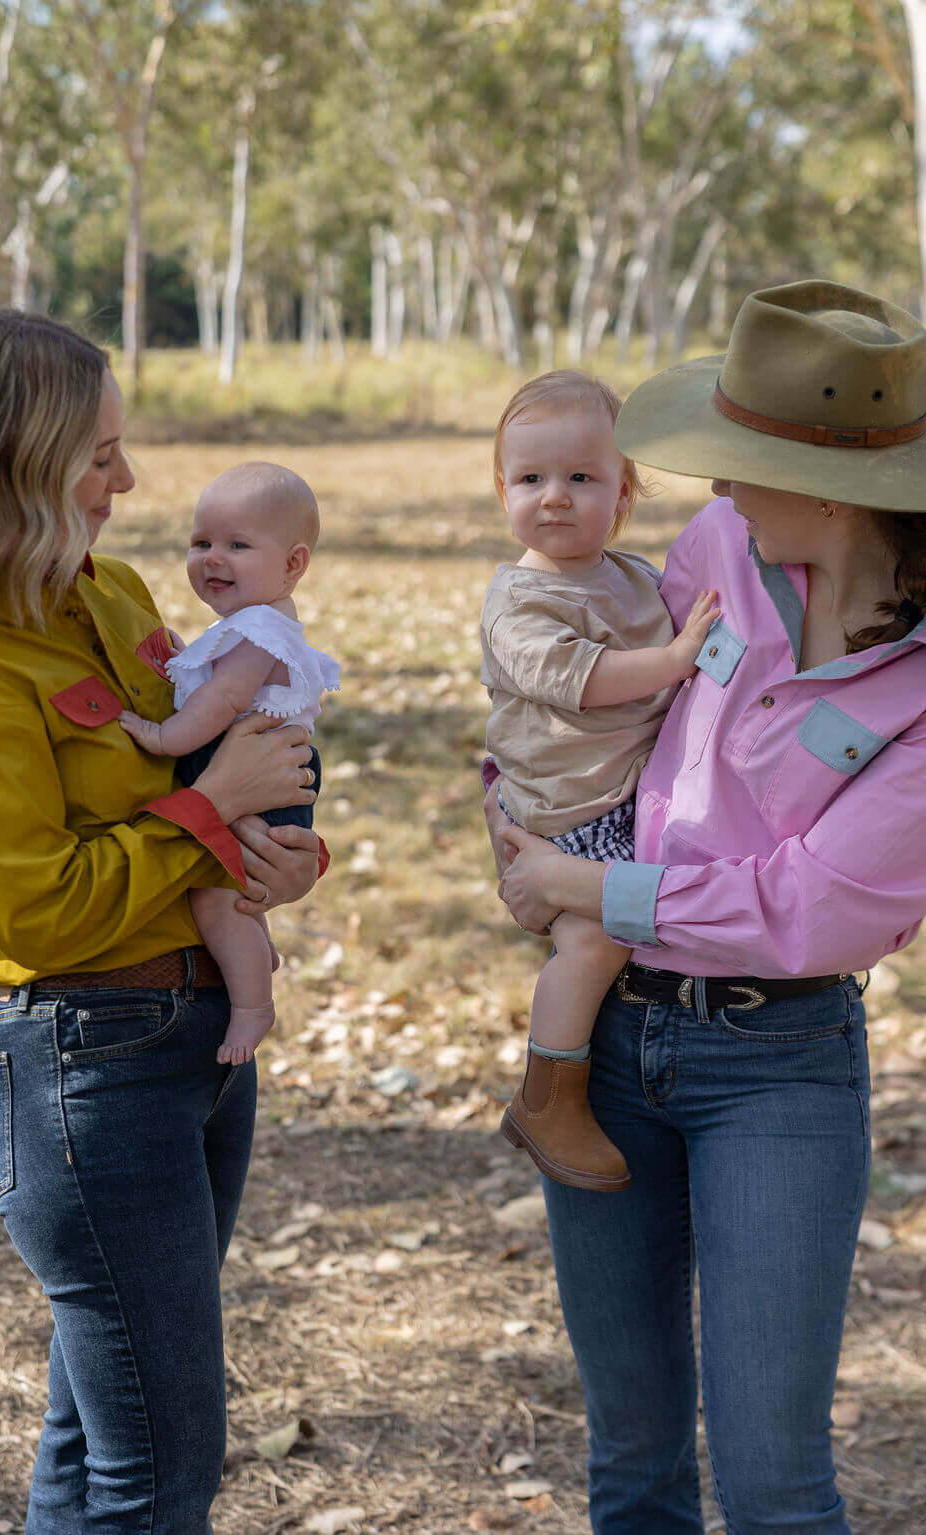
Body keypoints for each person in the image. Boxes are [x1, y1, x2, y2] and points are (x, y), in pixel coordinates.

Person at [486, 280, 926, 1534]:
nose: (714, 487)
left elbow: (814, 908)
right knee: (631, 1457)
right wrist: (511, 809)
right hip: (615, 1034)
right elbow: (590, 709)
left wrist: (587, 885)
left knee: (775, 1478)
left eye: (739, 464)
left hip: (777, 1064)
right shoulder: (718, 552)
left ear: (831, 486)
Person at [0, 309, 323, 1534]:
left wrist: (273, 851)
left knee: (99, 1434)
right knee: (162, 1462)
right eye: (99, 454)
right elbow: (32, 902)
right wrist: (207, 808)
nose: (127, 482)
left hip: (191, 1034)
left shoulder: (116, 590)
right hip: (83, 1062)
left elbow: (217, 769)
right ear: (14, 456)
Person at [481, 370, 719, 1191]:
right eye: (530, 478)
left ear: (624, 494)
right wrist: (676, 658)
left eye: (582, 477)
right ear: (502, 490)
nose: (554, 497)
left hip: (615, 792)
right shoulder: (519, 600)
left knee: (621, 920)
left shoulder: (631, 575)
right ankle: (549, 1092)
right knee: (596, 936)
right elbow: (582, 679)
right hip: (565, 807)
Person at [120, 461, 339, 1065]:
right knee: (228, 890)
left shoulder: (257, 631)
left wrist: (163, 737)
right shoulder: (253, 622)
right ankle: (251, 951)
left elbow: (226, 699)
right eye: (201, 542)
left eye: (237, 545)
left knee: (219, 897)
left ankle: (252, 1006)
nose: (213, 558)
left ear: (293, 564)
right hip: (253, 769)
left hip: (252, 773)